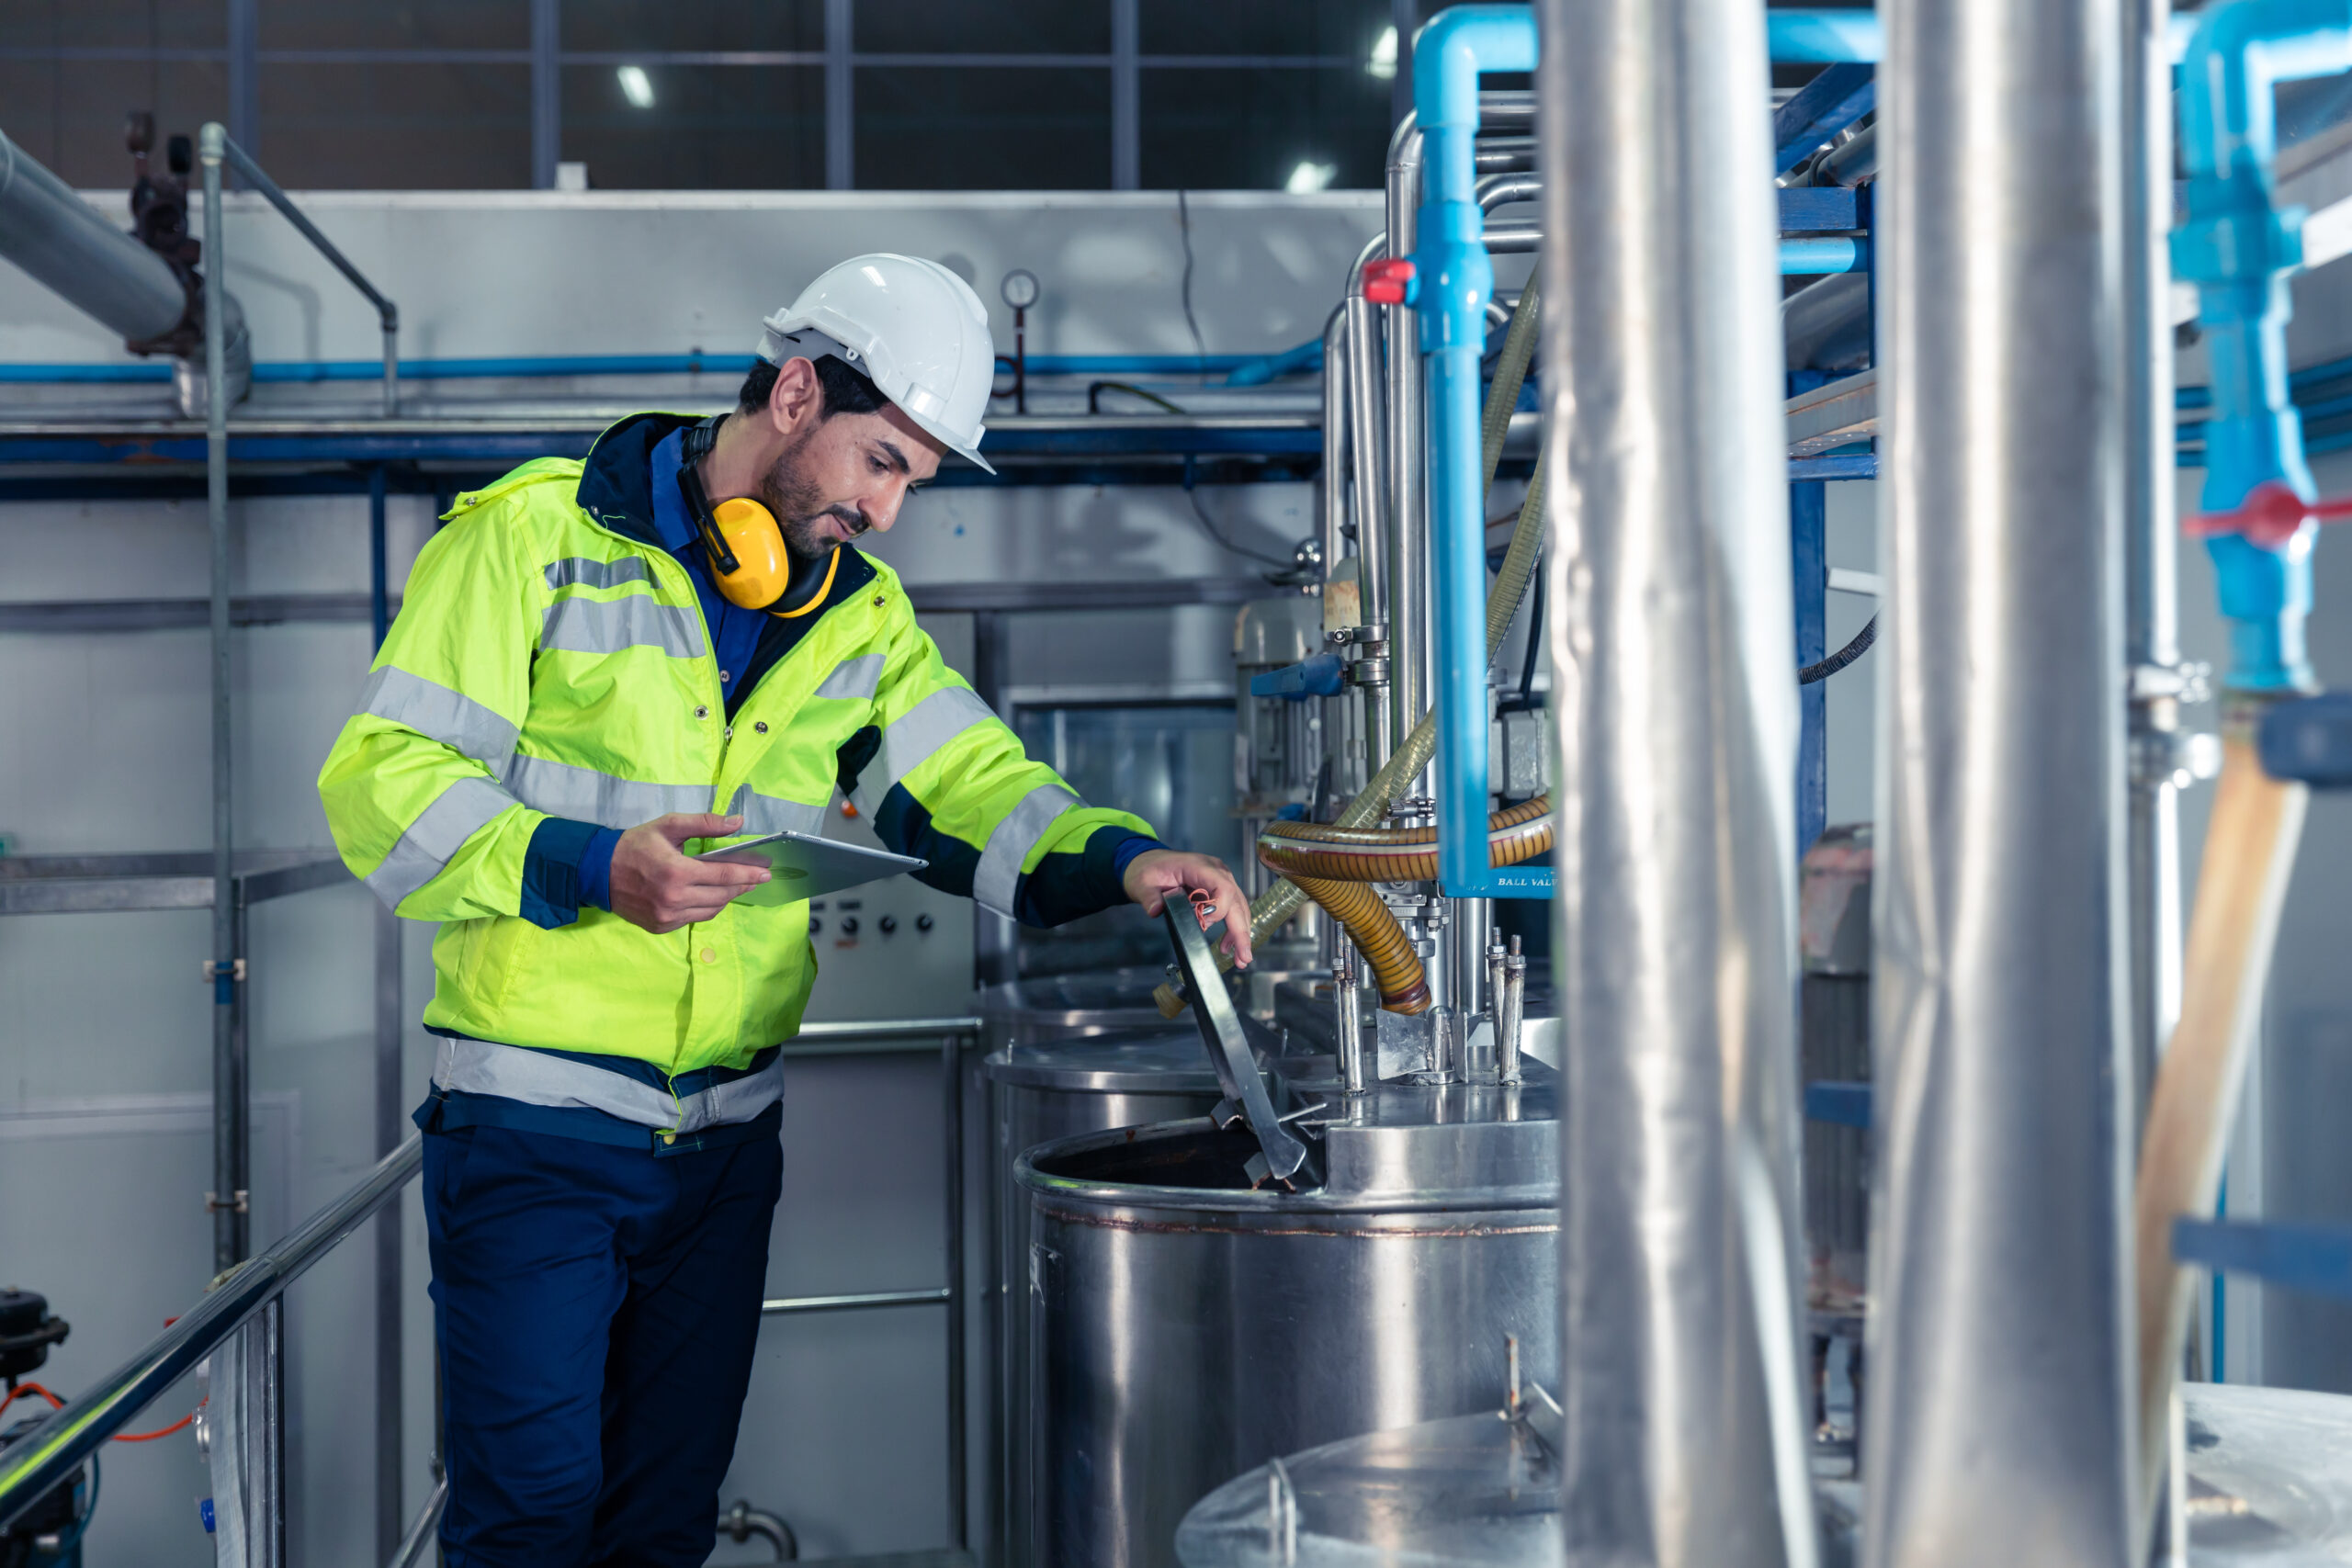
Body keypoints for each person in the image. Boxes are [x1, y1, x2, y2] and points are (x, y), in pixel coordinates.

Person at [317, 253, 1251, 1566]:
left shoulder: (856, 616)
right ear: (800, 391)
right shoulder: (535, 542)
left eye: (913, 483)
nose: (886, 510)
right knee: (527, 1519)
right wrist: (595, 865)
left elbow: (966, 784)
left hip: (725, 1146)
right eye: (882, 462)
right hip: (535, 1129)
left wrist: (1124, 859)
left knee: (660, 1523)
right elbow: (383, 783)